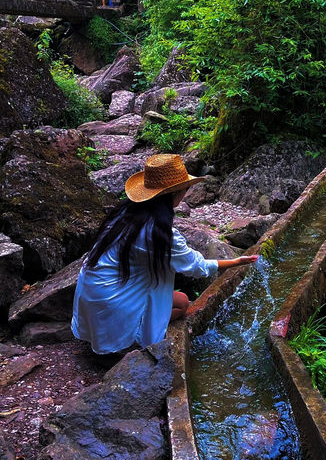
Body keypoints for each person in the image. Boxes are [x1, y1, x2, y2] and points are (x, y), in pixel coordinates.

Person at [72, 153, 258, 356]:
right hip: (113, 303)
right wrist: (236, 261)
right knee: (181, 304)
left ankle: (119, 331)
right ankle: (128, 343)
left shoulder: (125, 214)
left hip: (93, 294)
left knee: (181, 302)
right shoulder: (161, 234)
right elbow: (196, 266)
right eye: (185, 189)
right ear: (175, 193)